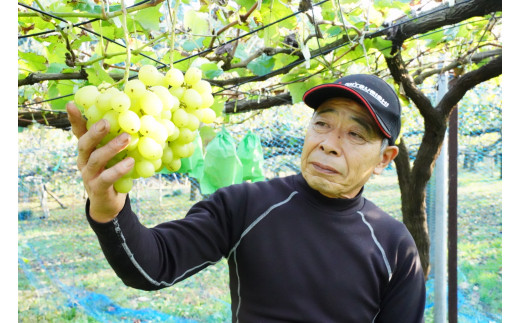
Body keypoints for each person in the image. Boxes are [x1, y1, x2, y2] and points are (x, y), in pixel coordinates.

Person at [67, 73, 426, 322]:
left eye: (355, 134)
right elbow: (152, 267)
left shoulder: (395, 246)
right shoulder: (245, 206)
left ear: (384, 160)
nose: (329, 144)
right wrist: (109, 209)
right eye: (322, 123)